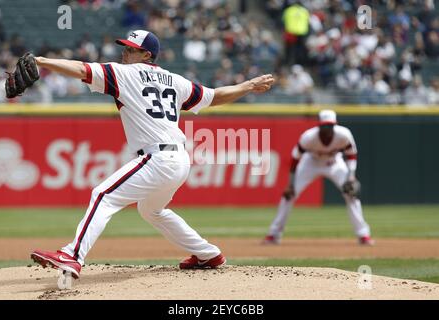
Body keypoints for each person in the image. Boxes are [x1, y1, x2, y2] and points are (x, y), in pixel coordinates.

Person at [29, 30, 275, 279]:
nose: (125, 52)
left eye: (130, 49)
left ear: (147, 54)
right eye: (125, 48)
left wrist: (42, 61)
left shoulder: (124, 74)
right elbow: (214, 96)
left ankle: (72, 255)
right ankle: (207, 253)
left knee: (103, 195)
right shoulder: (175, 80)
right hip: (179, 159)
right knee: (151, 210)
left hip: (158, 159)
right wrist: (248, 86)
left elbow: (82, 69)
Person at [262, 110, 374, 246]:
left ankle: (363, 235)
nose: (327, 129)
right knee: (288, 196)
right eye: (324, 125)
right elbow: (295, 159)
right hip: (310, 163)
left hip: (334, 163)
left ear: (335, 125)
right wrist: (290, 184)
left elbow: (351, 155)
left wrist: (351, 177)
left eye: (330, 126)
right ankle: (274, 234)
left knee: (351, 194)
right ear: (319, 125)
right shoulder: (309, 137)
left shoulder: (344, 134)